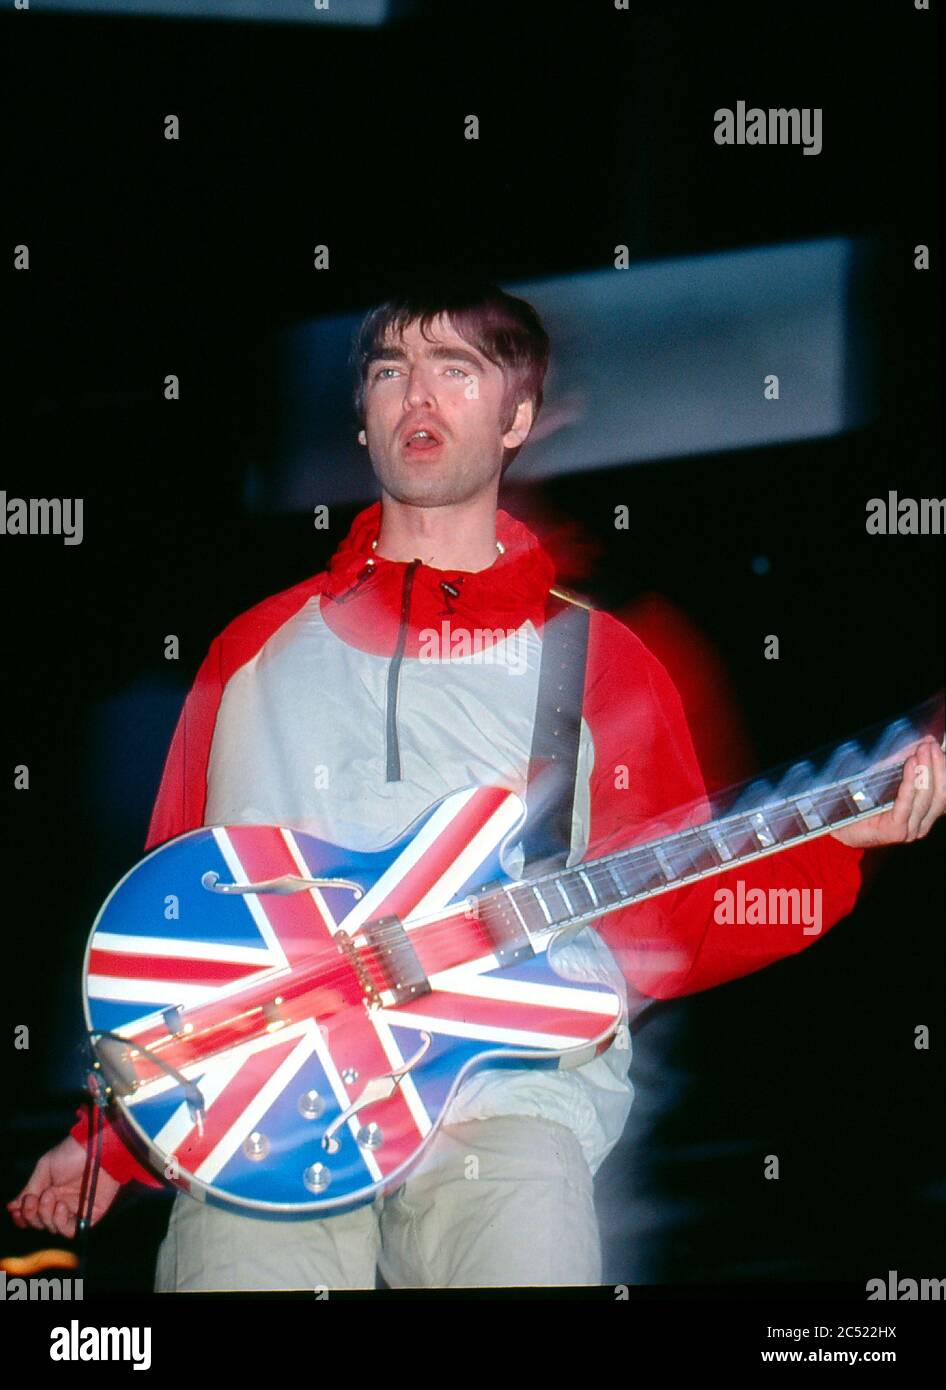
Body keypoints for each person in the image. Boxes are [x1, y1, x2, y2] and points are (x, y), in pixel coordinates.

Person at [8, 279, 945, 1289]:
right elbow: (171, 918)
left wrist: (834, 841)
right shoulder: (251, 652)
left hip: (504, 1105)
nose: (418, 395)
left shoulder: (603, 658)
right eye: (388, 371)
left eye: (457, 369)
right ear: (361, 416)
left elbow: (665, 920)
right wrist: (108, 1137)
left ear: (518, 417)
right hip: (260, 1112)